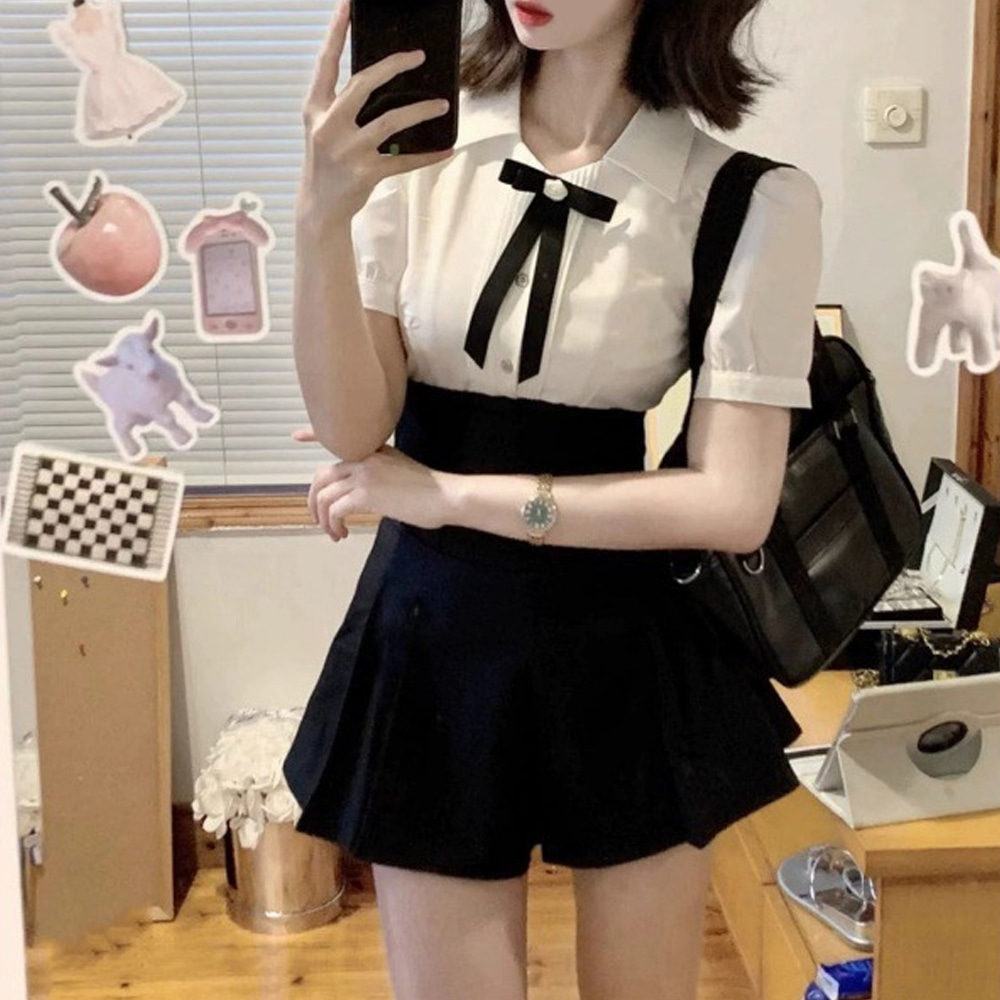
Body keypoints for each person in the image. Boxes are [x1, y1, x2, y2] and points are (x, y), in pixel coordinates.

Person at [282, 1, 823, 998]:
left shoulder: (744, 200)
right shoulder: (422, 151)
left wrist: (450, 494)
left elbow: (734, 503)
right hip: (435, 630)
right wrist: (321, 219)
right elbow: (353, 428)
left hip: (623, 635)